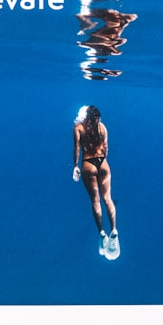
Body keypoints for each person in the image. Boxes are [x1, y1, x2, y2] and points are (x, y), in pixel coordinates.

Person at [72, 105, 119, 259]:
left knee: (95, 201)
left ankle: (102, 233)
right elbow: (106, 148)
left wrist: (75, 166)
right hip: (103, 163)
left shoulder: (79, 127)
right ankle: (114, 230)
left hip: (88, 164)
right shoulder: (103, 127)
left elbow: (77, 148)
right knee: (108, 199)